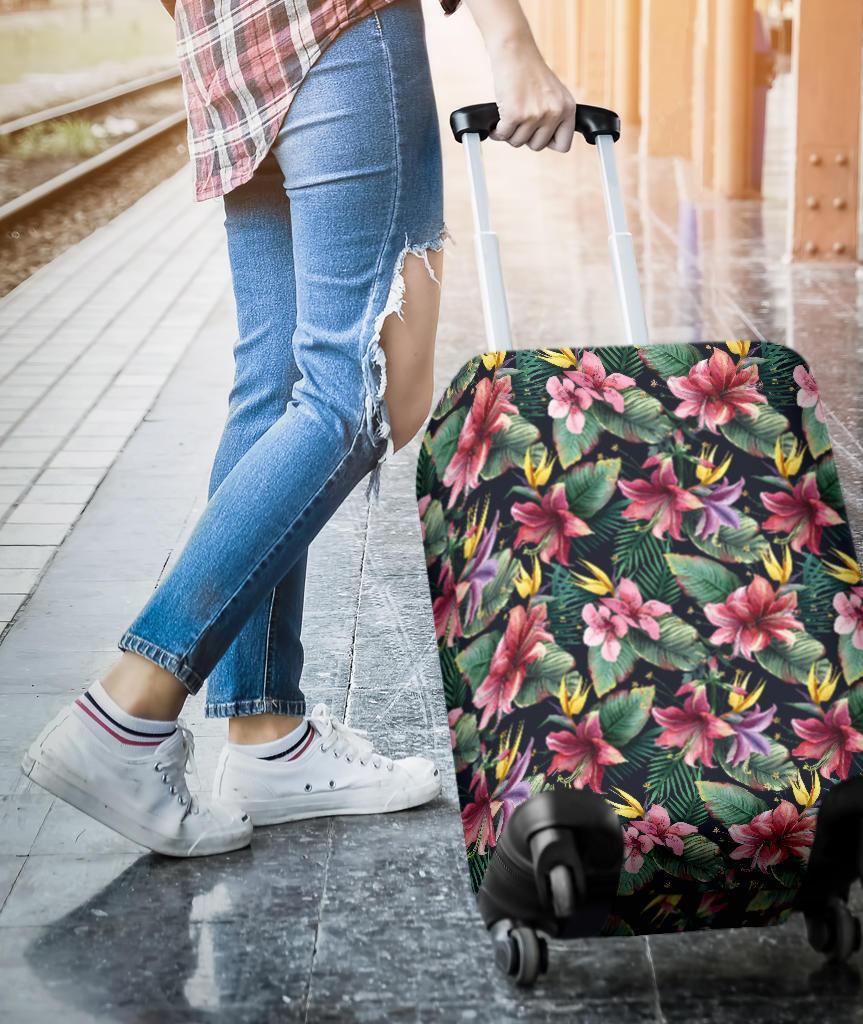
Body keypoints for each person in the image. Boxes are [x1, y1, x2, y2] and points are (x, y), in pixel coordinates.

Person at [22, 0, 576, 857]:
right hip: (341, 27)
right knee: (360, 390)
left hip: (228, 50)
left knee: (276, 383)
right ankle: (128, 710)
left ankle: (265, 735)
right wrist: (512, 43)